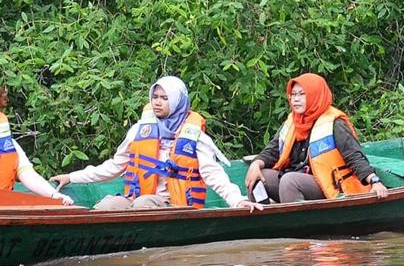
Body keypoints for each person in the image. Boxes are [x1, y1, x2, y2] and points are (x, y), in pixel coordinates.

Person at [50, 76, 258, 211]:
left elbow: (213, 174)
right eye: (155, 97)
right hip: (136, 198)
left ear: (177, 101)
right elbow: (114, 166)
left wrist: (237, 200)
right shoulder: (139, 130)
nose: (157, 102)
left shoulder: (195, 137)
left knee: (144, 203)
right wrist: (72, 177)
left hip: (175, 205)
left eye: (164, 98)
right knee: (107, 206)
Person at [244, 73, 388, 203]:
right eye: (293, 94)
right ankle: (264, 219)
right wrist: (255, 165)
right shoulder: (293, 122)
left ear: (315, 95)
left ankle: (297, 222)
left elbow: (354, 156)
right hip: (296, 177)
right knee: (257, 176)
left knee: (290, 181)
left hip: (329, 185)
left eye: (302, 94)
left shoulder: (335, 123)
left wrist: (374, 181)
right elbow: (272, 151)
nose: (296, 99)